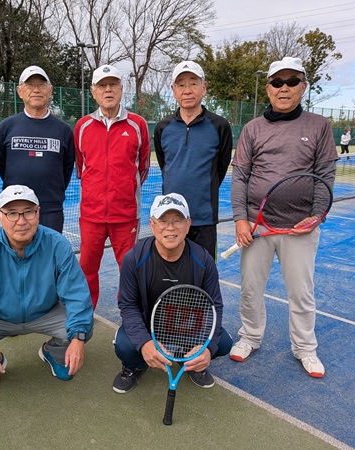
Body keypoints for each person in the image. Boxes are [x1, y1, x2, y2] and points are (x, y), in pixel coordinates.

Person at [229, 57, 337, 378]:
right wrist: (240, 219)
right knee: (250, 289)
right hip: (257, 224)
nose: (284, 88)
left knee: (301, 293)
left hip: (300, 228)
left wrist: (316, 216)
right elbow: (240, 177)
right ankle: (250, 337)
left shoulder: (319, 126)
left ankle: (305, 348)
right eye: (277, 82)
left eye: (292, 81)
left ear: (303, 87)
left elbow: (325, 176)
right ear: (268, 89)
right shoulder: (252, 129)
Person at [0, 185, 94, 396]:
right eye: (12, 213)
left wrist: (78, 337)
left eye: (28, 212)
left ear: (38, 213)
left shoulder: (57, 245)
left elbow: (76, 295)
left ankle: (53, 352)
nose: (21, 221)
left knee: (82, 330)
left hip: (45, 313)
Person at [112, 193, 232, 393]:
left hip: (187, 328)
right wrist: (144, 343)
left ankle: (189, 357)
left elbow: (215, 306)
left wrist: (208, 348)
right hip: (148, 327)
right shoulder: (134, 259)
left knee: (223, 343)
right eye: (163, 221)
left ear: (188, 224)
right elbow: (128, 305)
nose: (170, 227)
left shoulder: (204, 260)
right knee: (124, 346)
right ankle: (135, 365)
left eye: (177, 220)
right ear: (152, 225)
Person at [74, 64, 151, 309]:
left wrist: (124, 190)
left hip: (126, 216)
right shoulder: (82, 126)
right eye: (102, 86)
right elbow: (81, 168)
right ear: (93, 91)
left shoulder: (138, 124)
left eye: (113, 85)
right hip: (91, 215)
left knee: (129, 269)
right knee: (86, 268)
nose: (108, 90)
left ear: (121, 88)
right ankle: (84, 316)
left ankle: (129, 316)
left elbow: (143, 168)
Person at [154, 61, 233, 260]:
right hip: (171, 219)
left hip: (204, 219)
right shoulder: (163, 128)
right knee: (171, 271)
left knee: (204, 272)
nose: (187, 90)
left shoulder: (220, 126)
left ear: (204, 88)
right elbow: (165, 166)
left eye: (193, 84)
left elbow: (221, 168)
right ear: (173, 90)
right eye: (181, 85)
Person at [0, 66, 75, 233]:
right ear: (19, 91)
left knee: (50, 250)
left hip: (51, 210)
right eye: (30, 85)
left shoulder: (64, 130)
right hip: (15, 211)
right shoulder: (6, 127)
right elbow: (1, 164)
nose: (36, 90)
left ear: (50, 90)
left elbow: (66, 168)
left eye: (41, 85)